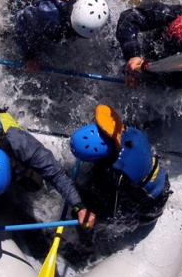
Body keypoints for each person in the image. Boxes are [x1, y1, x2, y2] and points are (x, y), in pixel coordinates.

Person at [0, 107, 95, 235]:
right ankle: (34, 235)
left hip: (3, 137)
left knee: (35, 184)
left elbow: (55, 174)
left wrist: (78, 206)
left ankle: (74, 191)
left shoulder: (19, 143)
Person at [65, 105, 172, 263]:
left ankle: (87, 248)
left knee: (80, 210)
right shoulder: (131, 134)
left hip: (149, 208)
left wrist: (81, 197)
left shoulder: (115, 177)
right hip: (156, 179)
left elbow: (113, 213)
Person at [7, 0, 110, 73]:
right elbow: (18, 26)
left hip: (53, 1)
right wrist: (30, 57)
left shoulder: (100, 8)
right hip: (23, 1)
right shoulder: (48, 13)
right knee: (7, 33)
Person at [116, 3, 182, 89]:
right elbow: (129, 17)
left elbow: (165, 83)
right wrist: (133, 54)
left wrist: (140, 78)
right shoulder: (172, 14)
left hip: (173, 69)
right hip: (157, 40)